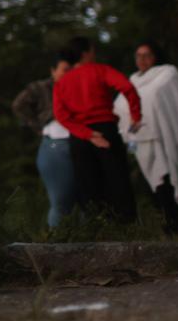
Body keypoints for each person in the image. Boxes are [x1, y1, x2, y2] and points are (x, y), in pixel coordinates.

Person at [52, 36, 142, 223]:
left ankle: (98, 232)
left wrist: (87, 134)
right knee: (118, 184)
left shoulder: (62, 82)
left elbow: (61, 115)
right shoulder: (100, 70)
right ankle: (127, 231)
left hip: (79, 138)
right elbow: (127, 87)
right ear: (86, 53)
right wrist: (135, 114)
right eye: (93, 50)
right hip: (106, 132)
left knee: (88, 188)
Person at [114, 41, 178, 236]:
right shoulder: (132, 79)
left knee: (168, 184)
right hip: (142, 142)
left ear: (156, 56)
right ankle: (167, 230)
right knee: (153, 189)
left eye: (147, 55)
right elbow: (119, 107)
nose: (142, 60)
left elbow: (152, 101)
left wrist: (136, 111)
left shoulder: (167, 73)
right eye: (138, 55)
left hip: (164, 137)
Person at [12, 55, 75, 228]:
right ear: (53, 71)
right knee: (60, 201)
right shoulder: (41, 87)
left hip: (78, 142)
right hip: (54, 143)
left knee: (82, 198)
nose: (69, 74)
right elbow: (18, 105)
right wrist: (37, 125)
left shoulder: (77, 86)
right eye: (65, 70)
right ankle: (55, 241)